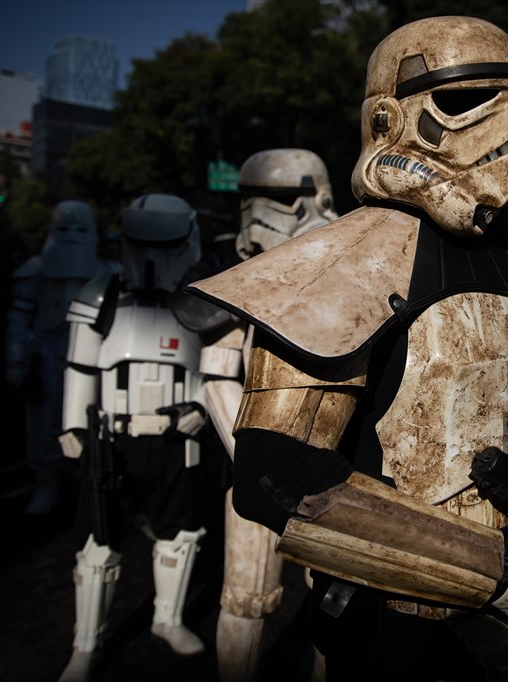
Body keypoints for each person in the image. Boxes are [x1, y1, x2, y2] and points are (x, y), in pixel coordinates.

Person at [190, 16, 508, 681]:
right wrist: (499, 570)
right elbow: (274, 473)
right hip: (398, 624)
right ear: (386, 121)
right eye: (463, 100)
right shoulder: (350, 261)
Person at [57, 194, 213, 681]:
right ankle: (86, 644)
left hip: (176, 443)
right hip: (113, 442)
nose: (153, 258)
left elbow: (220, 370)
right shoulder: (99, 298)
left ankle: (167, 618)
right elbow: (80, 366)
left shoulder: (205, 299)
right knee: (99, 544)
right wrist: (72, 426)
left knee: (180, 534)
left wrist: (203, 407)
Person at [207, 148, 339, 682]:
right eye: (250, 199)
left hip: (330, 468)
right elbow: (216, 372)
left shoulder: (351, 266)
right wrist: (252, 460)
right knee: (244, 597)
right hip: (255, 459)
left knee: (336, 603)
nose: (260, 213)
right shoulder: (238, 269)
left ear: (317, 199)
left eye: (279, 199)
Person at [6, 201, 120, 515]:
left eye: (80, 230)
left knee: (91, 420)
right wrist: (16, 359)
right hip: (46, 354)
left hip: (92, 359)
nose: (72, 237)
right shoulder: (36, 270)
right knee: (42, 425)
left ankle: (87, 479)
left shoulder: (108, 271)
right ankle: (46, 482)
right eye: (64, 229)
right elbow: (19, 316)